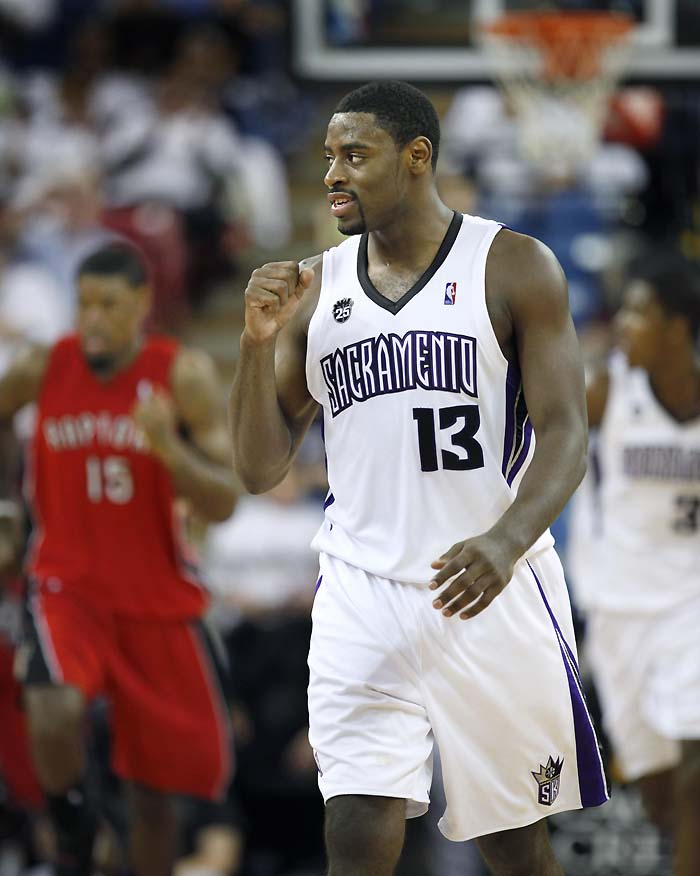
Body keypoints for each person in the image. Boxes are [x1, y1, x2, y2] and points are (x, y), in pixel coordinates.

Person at [229, 80, 607, 876]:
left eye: (354, 155)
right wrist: (256, 346)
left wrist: (507, 539)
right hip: (361, 587)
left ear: (416, 157)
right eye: (328, 156)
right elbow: (259, 469)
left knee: (514, 847)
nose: (333, 174)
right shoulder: (315, 290)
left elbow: (567, 435)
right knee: (356, 823)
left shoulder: (512, 265)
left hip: (488, 584)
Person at [0, 241, 237, 876]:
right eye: (83, 305)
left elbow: (223, 501)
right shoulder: (44, 365)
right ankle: (77, 836)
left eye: (108, 305)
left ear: (142, 303)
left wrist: (169, 450)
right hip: (66, 583)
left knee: (154, 799)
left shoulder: (180, 374)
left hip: (154, 594)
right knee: (51, 707)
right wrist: (7, 507)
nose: (93, 319)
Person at [583, 253, 700, 876]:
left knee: (695, 769)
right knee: (659, 795)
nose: (623, 324)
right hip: (619, 609)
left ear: (677, 328)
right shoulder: (610, 389)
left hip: (692, 604)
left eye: (639, 311)